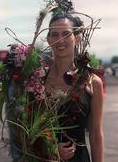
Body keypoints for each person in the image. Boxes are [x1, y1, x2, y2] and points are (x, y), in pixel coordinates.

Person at [44, 13, 104, 162]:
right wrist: (49, 149)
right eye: (54, 34)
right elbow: (23, 132)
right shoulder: (36, 81)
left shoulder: (92, 82)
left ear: (77, 38)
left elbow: (96, 135)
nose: (60, 40)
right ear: (48, 39)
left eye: (66, 34)